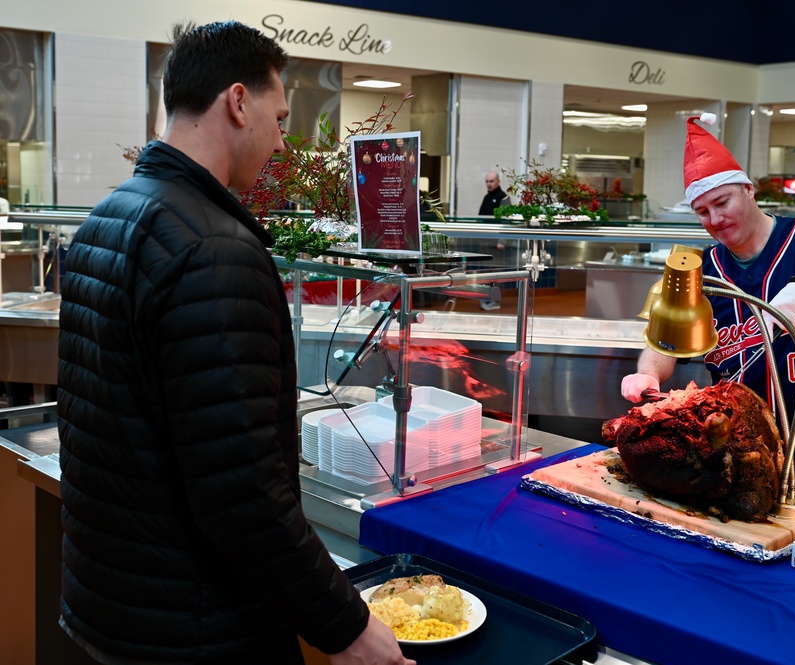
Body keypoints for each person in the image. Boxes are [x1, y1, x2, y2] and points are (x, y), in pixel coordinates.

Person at [57, 21, 414, 665]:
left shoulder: (108, 214)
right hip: (195, 628)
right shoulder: (213, 247)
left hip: (116, 602)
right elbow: (241, 495)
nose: (282, 141)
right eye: (279, 119)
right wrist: (346, 627)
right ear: (238, 101)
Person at [621, 113, 795, 499]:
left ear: (748, 190)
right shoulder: (702, 269)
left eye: (722, 202)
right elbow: (663, 343)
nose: (716, 219)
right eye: (702, 212)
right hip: (734, 455)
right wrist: (648, 375)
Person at [477, 171, 509, 311]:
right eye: (487, 181)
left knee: (496, 273)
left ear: (498, 182)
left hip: (496, 243)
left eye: (492, 181)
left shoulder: (503, 198)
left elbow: (506, 220)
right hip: (485, 241)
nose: (489, 184)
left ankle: (495, 300)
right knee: (486, 272)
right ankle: (487, 297)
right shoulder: (486, 197)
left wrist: (502, 240)